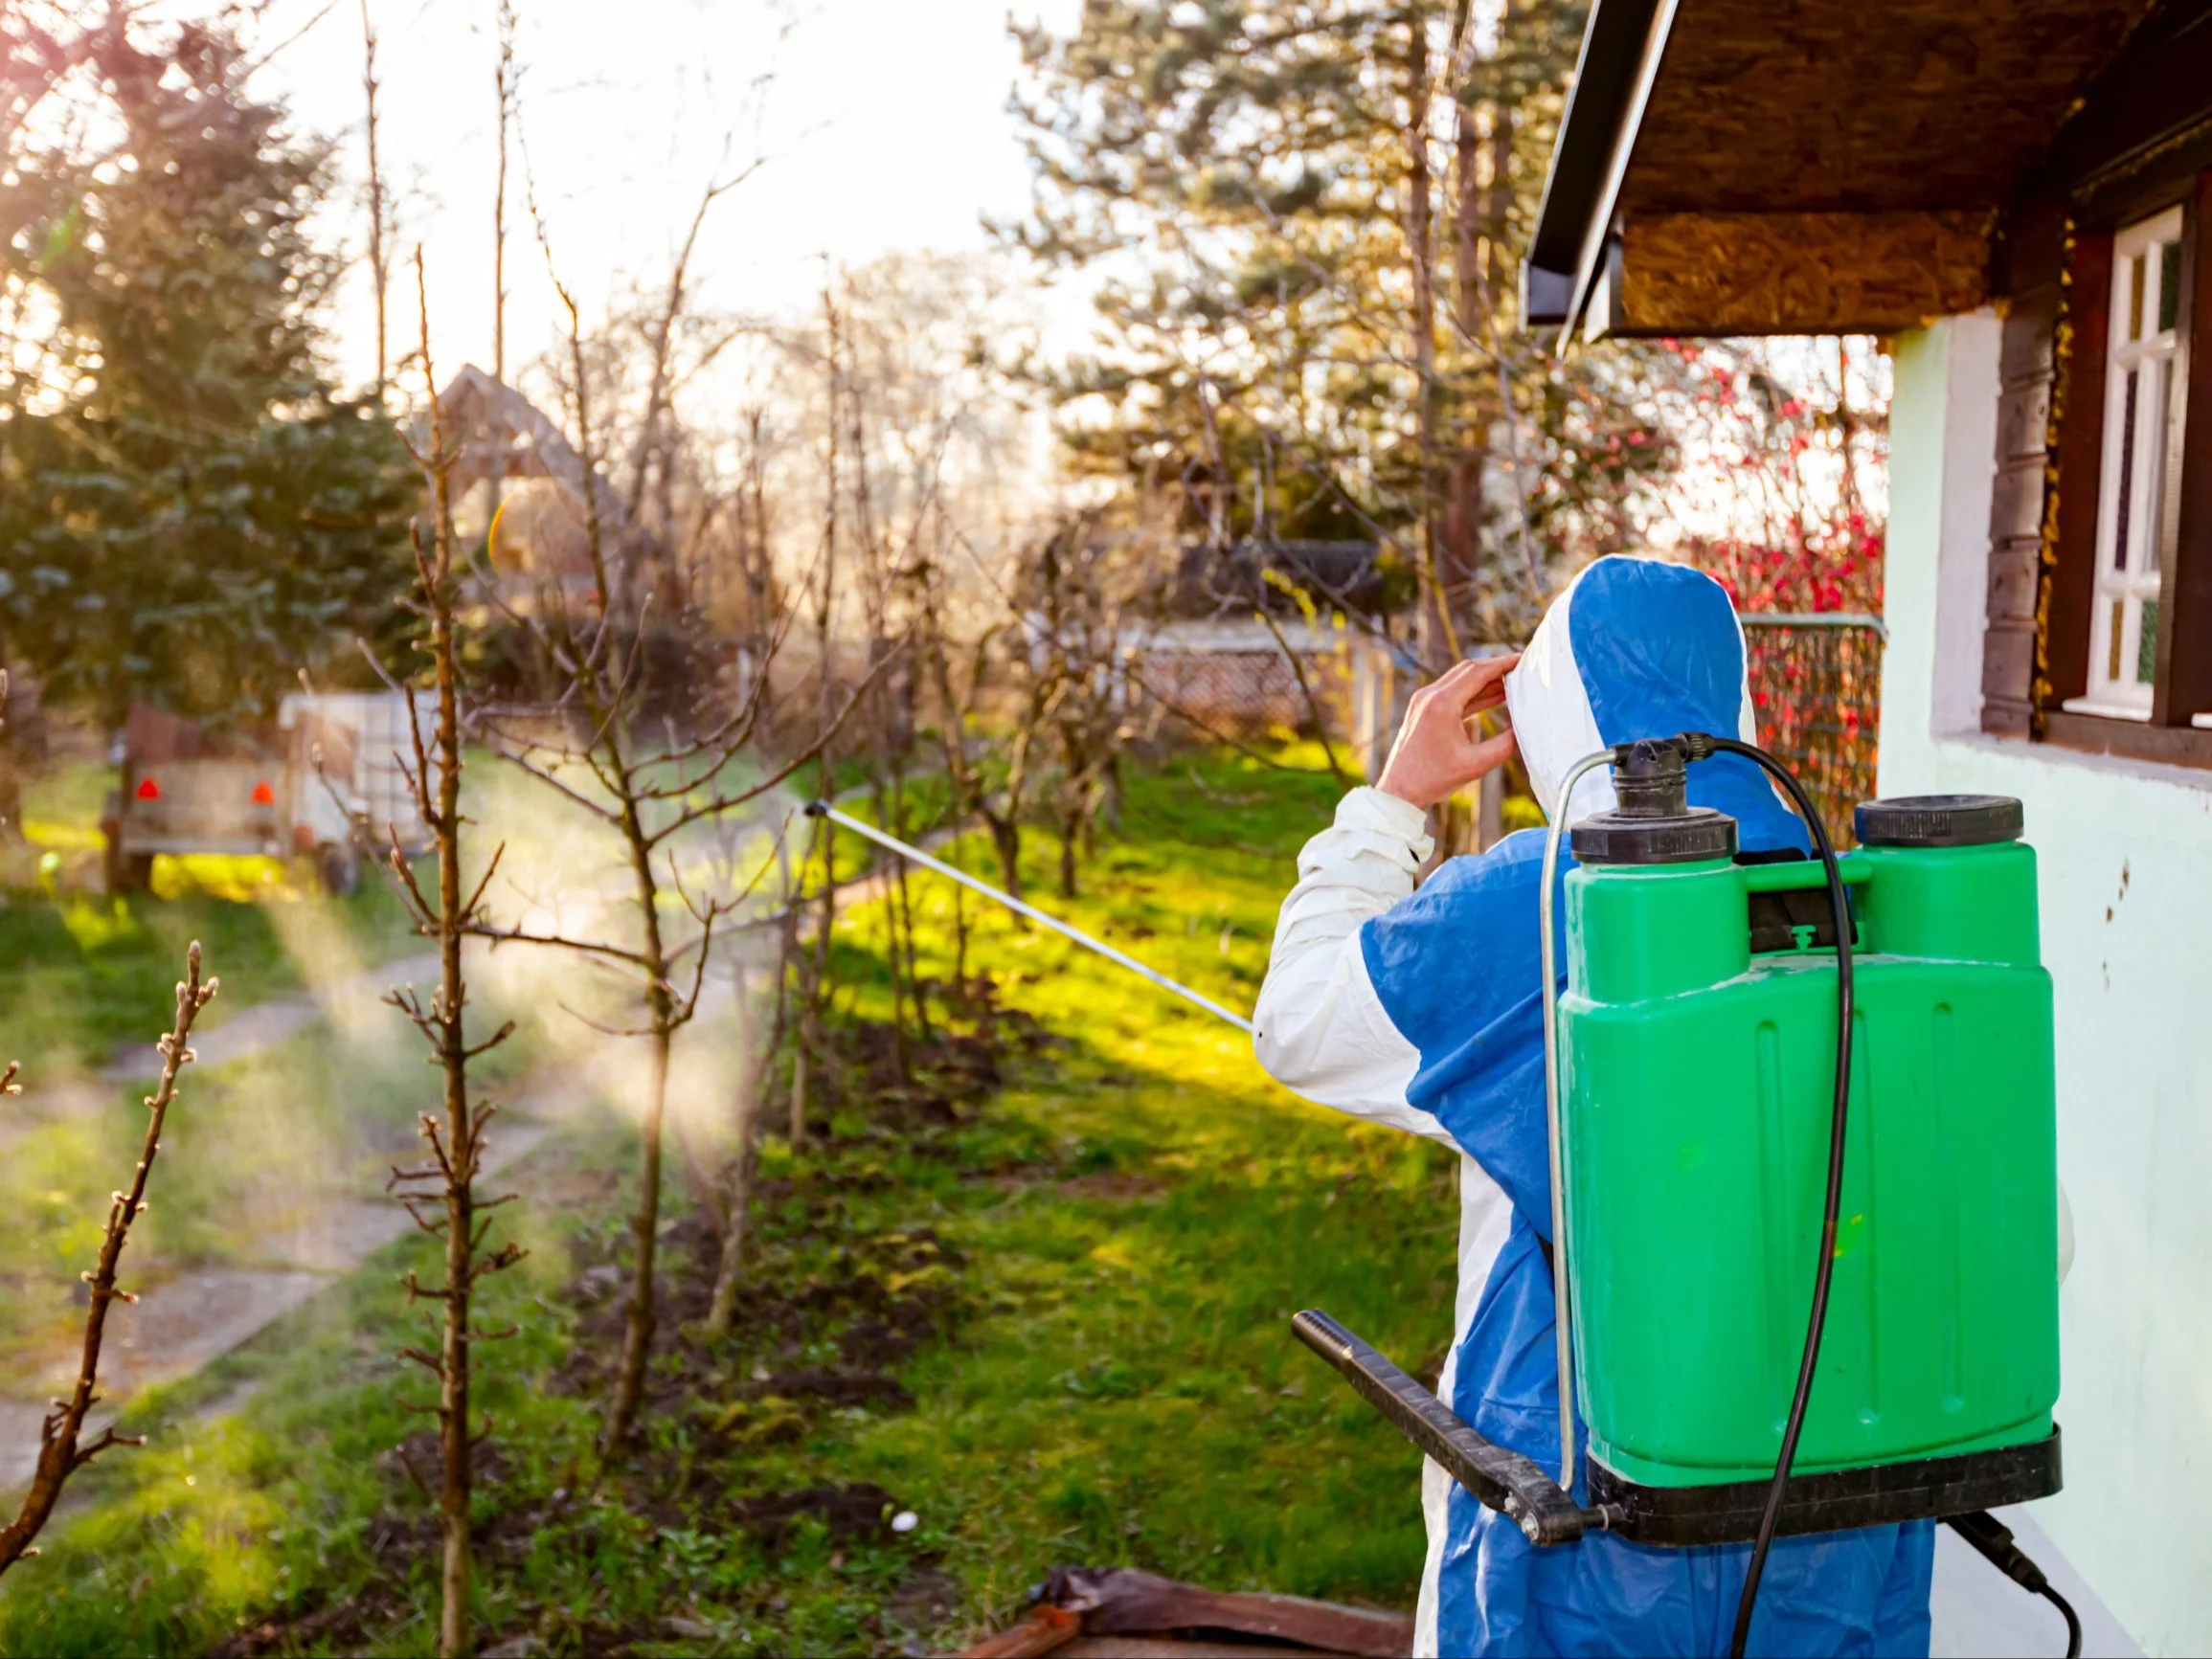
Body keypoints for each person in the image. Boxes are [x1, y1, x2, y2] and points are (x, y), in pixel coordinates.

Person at [1252, 556, 1933, 1658]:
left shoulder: (1532, 902)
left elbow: (1298, 1022)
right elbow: (2026, 1235)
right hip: (1840, 1513)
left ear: (1552, 711)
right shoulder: (1871, 901)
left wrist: (1389, 806)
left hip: (1575, 1525)